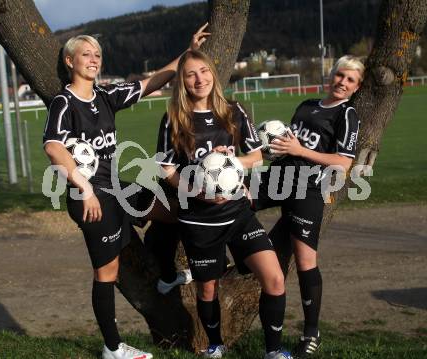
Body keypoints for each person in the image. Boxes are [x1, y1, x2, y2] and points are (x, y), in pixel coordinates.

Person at [42, 25, 209, 359]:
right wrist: (84, 188)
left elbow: (152, 82)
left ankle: (169, 275)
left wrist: (188, 51)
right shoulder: (64, 102)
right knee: (107, 274)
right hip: (91, 199)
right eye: (86, 54)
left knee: (176, 209)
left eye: (97, 55)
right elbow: (53, 148)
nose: (93, 59)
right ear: (70, 61)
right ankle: (113, 347)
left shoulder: (104, 97)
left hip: (116, 190)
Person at [156, 50, 293, 359]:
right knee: (207, 289)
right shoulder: (173, 118)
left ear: (213, 74)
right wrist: (196, 191)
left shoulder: (233, 111)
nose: (199, 79)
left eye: (204, 71)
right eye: (191, 74)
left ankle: (273, 351)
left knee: (274, 278)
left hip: (237, 213)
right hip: (200, 220)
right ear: (183, 81)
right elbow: (166, 168)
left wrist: (230, 163)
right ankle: (215, 344)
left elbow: (256, 156)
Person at [252, 55, 364, 358]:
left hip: (307, 188)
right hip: (279, 177)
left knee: (304, 261)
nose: (342, 82)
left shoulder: (347, 114)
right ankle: (211, 260)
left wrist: (300, 150)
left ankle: (311, 333)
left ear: (357, 86)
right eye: (340, 75)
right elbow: (289, 147)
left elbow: (343, 163)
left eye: (350, 80)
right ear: (332, 75)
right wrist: (274, 147)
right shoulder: (306, 105)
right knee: (233, 200)